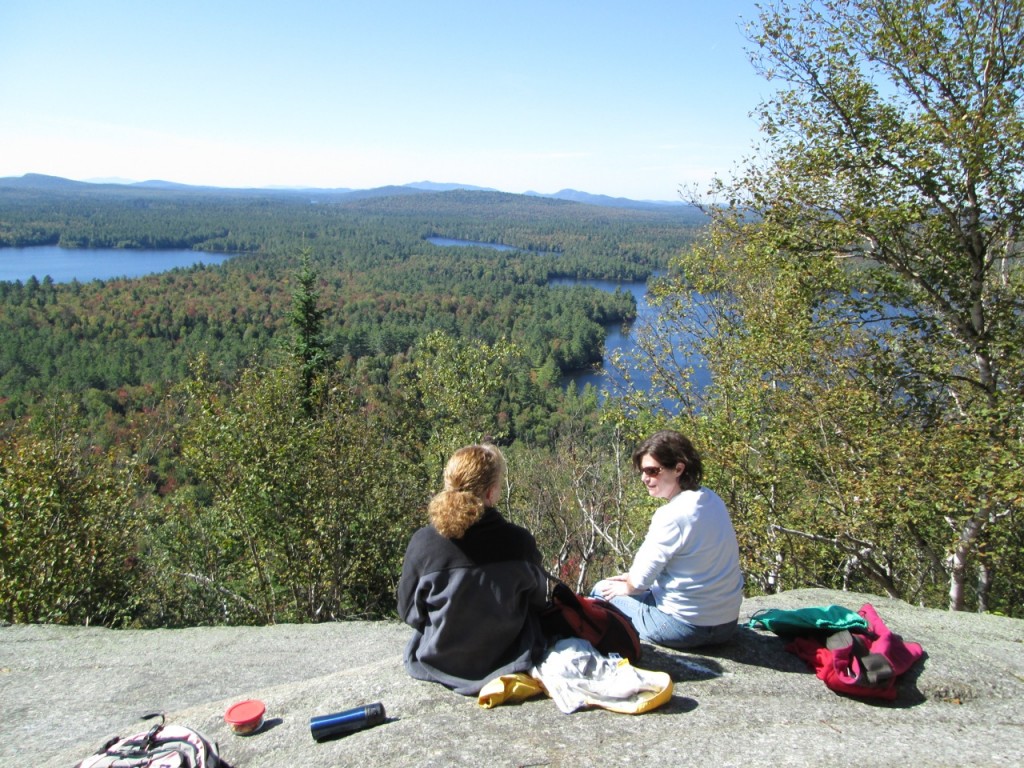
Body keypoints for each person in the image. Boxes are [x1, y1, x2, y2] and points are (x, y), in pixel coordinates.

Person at [397, 443, 548, 695]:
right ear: (490, 493)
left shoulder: (424, 543)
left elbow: (409, 612)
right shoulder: (519, 542)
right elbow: (538, 602)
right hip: (510, 661)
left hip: (437, 662)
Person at [592, 430, 743, 650]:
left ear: (679, 469)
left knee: (601, 590)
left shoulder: (671, 515)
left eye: (652, 471)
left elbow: (638, 583)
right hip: (726, 625)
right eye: (642, 471)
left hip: (683, 628)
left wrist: (626, 585)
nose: (645, 478)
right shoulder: (712, 500)